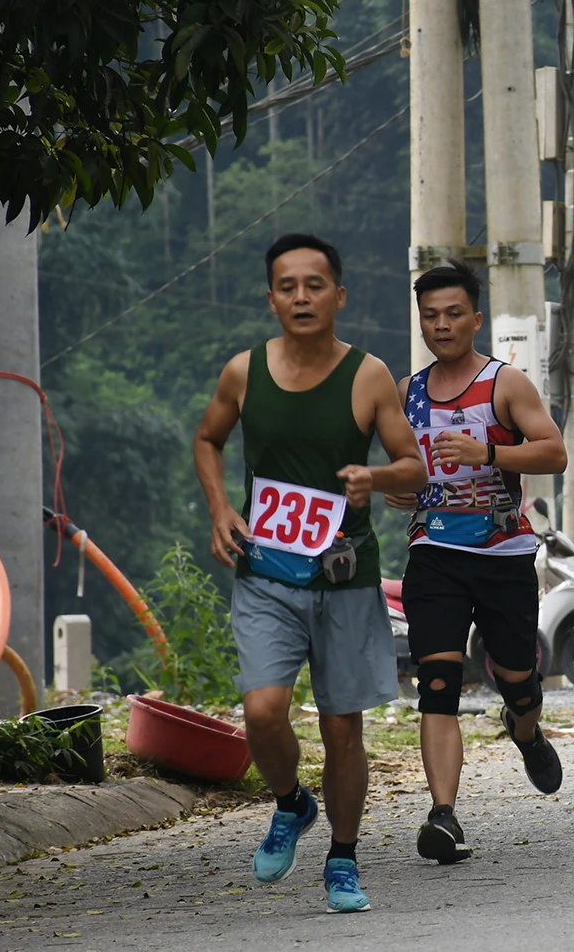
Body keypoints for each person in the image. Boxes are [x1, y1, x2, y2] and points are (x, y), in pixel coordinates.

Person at [193, 233, 428, 913]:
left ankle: (344, 858)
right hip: (265, 571)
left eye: (315, 284)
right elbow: (208, 438)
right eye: (288, 286)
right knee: (262, 710)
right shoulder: (245, 372)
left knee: (340, 726)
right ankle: (292, 802)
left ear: (339, 296)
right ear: (271, 298)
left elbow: (411, 465)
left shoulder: (369, 375)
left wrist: (375, 475)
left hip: (345, 577)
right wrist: (219, 509)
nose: (301, 296)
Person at [382, 260, 569, 864]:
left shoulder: (504, 384)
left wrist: (489, 449)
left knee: (514, 675)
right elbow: (404, 471)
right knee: (437, 681)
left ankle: (528, 731)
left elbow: (555, 453)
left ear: (475, 318)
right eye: (430, 315)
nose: (441, 325)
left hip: (501, 553)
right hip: (432, 552)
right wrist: (399, 490)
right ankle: (443, 815)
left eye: (453, 313)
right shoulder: (406, 392)